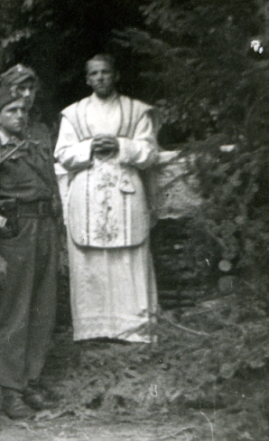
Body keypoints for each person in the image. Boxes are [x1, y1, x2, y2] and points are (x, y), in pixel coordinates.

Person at [55, 55, 159, 343]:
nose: (100, 77)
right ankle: (93, 330)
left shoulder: (137, 111)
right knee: (90, 263)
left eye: (105, 72)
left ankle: (135, 330)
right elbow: (62, 154)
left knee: (128, 259)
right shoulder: (73, 114)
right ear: (87, 79)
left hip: (126, 193)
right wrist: (89, 147)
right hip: (87, 195)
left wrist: (120, 145)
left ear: (116, 75)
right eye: (94, 74)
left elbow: (150, 153)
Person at [0, 88, 61, 420]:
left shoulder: (35, 145)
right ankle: (10, 390)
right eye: (11, 110)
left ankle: (30, 381)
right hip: (15, 231)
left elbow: (51, 190)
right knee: (15, 311)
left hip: (45, 228)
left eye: (23, 110)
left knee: (43, 308)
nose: (20, 115)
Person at [0, 64, 51, 148]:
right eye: (21, 88)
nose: (28, 94)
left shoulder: (40, 127)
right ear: (7, 91)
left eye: (31, 88)